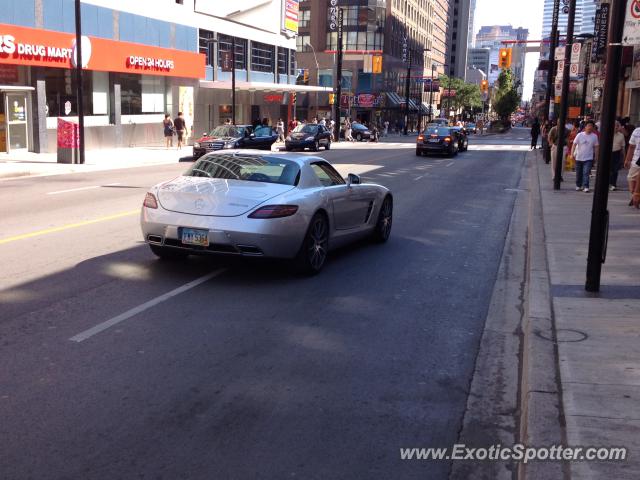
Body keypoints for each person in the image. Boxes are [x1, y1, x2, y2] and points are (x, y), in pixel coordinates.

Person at [571, 120, 599, 193]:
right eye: (588, 126)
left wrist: (596, 157)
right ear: (585, 127)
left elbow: (596, 147)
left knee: (586, 172)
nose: (590, 127)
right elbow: (574, 145)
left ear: (593, 127)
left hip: (588, 158)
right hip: (579, 157)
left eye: (591, 126)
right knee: (578, 173)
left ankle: (586, 186)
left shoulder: (594, 136)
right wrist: (572, 154)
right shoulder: (580, 135)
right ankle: (578, 185)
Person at [624, 125, 640, 206]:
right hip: (635, 160)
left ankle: (636, 196)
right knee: (631, 178)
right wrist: (627, 159)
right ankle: (635, 196)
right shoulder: (637, 131)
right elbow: (631, 146)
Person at [610, 121, 626, 191]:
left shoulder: (621, 135)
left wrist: (624, 158)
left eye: (617, 126)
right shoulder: (607, 134)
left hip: (617, 153)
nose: (616, 127)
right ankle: (609, 182)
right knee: (608, 170)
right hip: (608, 154)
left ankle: (613, 184)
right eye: (614, 126)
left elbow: (623, 147)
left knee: (615, 170)